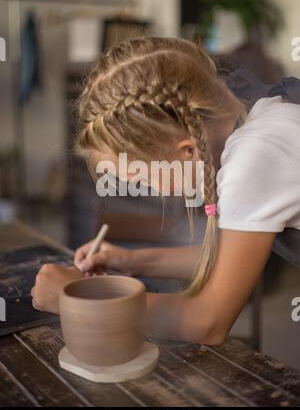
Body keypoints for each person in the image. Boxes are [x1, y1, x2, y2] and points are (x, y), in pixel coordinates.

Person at [31, 37, 300, 345]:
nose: (147, 188)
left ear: (186, 151)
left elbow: (207, 322)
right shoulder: (256, 118)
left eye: (139, 177)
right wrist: (130, 260)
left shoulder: (254, 159)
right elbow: (230, 258)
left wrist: (72, 300)